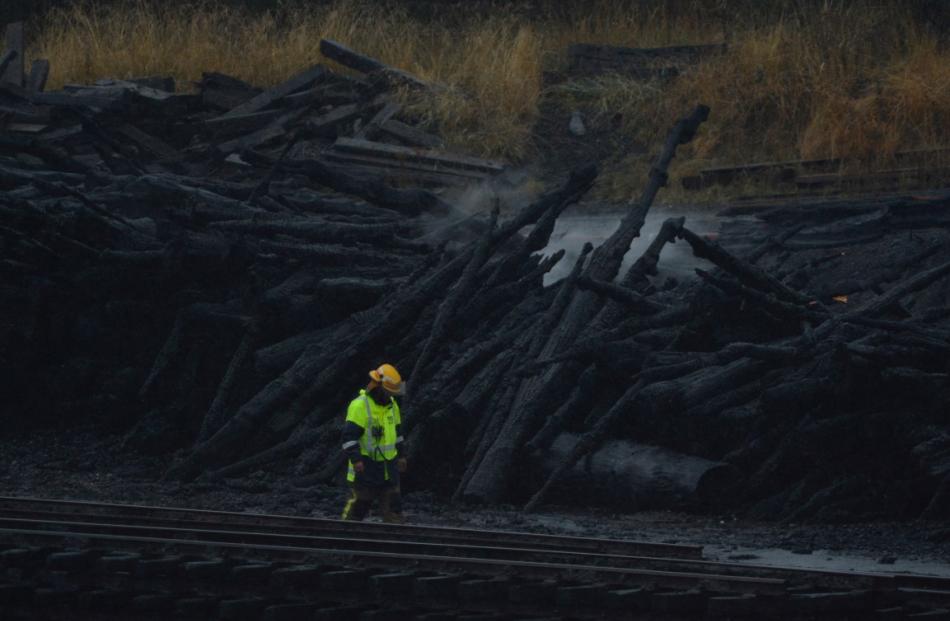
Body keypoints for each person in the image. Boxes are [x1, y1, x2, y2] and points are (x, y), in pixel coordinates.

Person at [340, 363, 407, 523]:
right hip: (366, 468)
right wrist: (356, 460)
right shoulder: (360, 406)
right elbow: (349, 437)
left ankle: (395, 543)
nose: (393, 395)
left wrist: (402, 455)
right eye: (389, 391)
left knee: (394, 511)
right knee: (357, 511)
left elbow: (397, 434)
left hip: (388, 468)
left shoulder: (392, 406)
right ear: (379, 387)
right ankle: (344, 538)